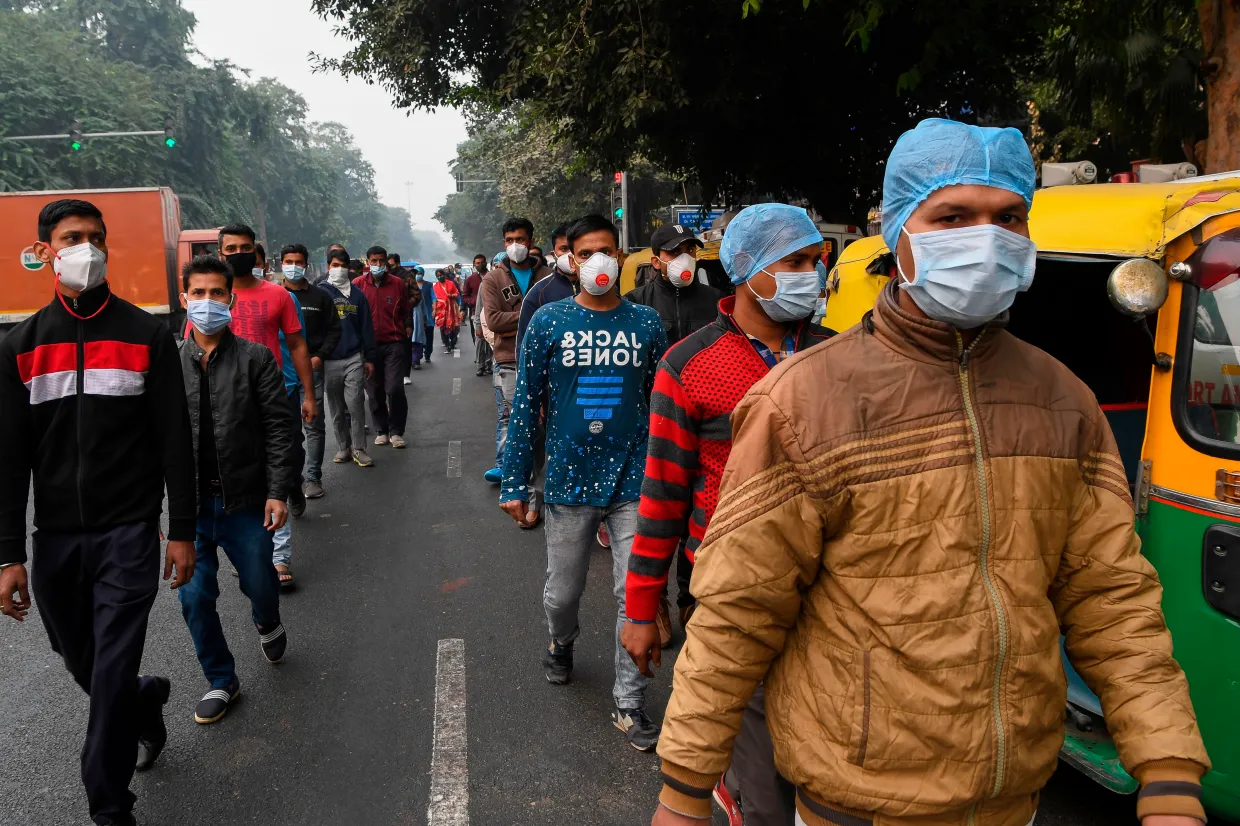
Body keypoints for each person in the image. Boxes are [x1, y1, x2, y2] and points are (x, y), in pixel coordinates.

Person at [648, 119, 1211, 826]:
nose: (986, 237)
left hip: (1012, 802)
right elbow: (739, 610)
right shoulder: (804, 400)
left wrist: (1167, 770)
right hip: (856, 801)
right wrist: (684, 789)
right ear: (897, 233)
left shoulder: (1061, 398)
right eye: (953, 216)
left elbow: (1112, 597)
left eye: (1008, 217)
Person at [624, 204, 832, 826]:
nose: (811, 276)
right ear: (747, 269)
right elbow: (662, 496)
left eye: (815, 263)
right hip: (729, 591)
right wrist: (641, 609)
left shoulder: (837, 356)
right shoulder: (687, 366)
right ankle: (737, 791)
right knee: (767, 787)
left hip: (830, 588)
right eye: (794, 263)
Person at [0, 199, 195, 826]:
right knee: (82, 660)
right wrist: (8, 553)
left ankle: (108, 805)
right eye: (71, 238)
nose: (84, 247)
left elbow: (174, 444)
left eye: (93, 237)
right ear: (46, 252)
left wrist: (182, 530)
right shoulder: (20, 346)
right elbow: (9, 462)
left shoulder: (146, 337)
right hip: (55, 539)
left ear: (107, 247)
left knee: (110, 666)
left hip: (128, 534)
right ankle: (145, 703)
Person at [499, 214, 668, 752]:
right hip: (568, 481)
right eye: (586, 251)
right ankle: (561, 639)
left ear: (621, 258)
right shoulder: (549, 323)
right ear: (569, 260)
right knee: (563, 590)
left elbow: (660, 405)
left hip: (633, 479)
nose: (599, 261)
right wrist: (514, 482)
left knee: (632, 593)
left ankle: (629, 701)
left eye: (608, 251)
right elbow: (525, 406)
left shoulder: (646, 324)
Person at [175, 255, 293, 726]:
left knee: (260, 582)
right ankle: (221, 679)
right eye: (197, 293)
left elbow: (278, 429)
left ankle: (267, 621)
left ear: (231, 298)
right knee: (194, 595)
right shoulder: (167, 361)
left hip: (245, 500)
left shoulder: (256, 358)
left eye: (216, 293)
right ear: (184, 299)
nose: (207, 302)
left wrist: (278, 490)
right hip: (191, 508)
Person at [212, 225, 317, 521]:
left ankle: (292, 484)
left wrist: (309, 395)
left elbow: (297, 345)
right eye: (231, 249)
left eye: (245, 248)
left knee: (290, 455)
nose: (239, 254)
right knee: (244, 465)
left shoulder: (280, 296)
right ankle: (262, 544)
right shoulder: (212, 297)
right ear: (221, 254)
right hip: (229, 399)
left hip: (278, 394)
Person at [512, 221, 580, 530]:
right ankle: (538, 500)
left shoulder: (613, 293)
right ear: (555, 252)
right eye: (565, 249)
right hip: (552, 394)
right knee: (544, 451)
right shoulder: (540, 295)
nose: (573, 256)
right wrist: (535, 397)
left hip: (593, 391)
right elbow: (525, 354)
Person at [479, 218, 551, 484]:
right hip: (508, 360)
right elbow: (495, 321)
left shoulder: (548, 277)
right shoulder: (492, 279)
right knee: (515, 419)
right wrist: (533, 316)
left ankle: (532, 474)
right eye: (509, 240)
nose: (514, 245)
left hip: (545, 360)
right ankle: (516, 478)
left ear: (531, 242)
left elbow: (556, 320)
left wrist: (518, 320)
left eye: (520, 240)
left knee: (541, 424)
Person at [280, 244, 341, 500]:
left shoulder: (320, 297)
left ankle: (313, 477)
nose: (293, 266)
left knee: (313, 426)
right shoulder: (274, 296)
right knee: (285, 431)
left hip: (311, 369)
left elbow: (334, 330)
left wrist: (319, 357)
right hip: (279, 373)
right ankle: (290, 480)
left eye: (298, 261)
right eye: (288, 261)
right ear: (281, 263)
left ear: (305, 265)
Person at [320, 248, 377, 468]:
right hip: (329, 359)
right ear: (328, 267)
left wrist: (369, 358)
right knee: (336, 408)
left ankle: (359, 448)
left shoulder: (358, 295)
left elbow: (366, 328)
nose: (339, 270)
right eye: (335, 265)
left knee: (355, 404)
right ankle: (344, 446)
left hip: (354, 357)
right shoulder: (321, 293)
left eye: (343, 266)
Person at [353, 245, 411, 449]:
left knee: (394, 388)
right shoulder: (358, 285)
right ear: (368, 262)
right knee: (374, 390)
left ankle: (397, 431)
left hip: (394, 343)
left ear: (387, 262)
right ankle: (382, 430)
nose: (377, 265)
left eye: (381, 261)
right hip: (368, 347)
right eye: (373, 261)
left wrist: (406, 329)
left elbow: (405, 310)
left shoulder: (397, 284)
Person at [626, 223, 722, 346]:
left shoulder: (717, 301)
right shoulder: (636, 302)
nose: (685, 259)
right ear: (656, 262)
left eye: (690, 250)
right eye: (675, 252)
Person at [464, 253, 491, 376]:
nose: (480, 265)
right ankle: (480, 365)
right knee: (480, 339)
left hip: (491, 313)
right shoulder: (470, 279)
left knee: (490, 339)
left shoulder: (492, 277)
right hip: (476, 313)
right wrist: (473, 302)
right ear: (474, 265)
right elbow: (465, 296)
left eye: (482, 262)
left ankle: (489, 364)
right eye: (477, 263)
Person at [433, 266, 463, 353]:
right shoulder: (435, 287)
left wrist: (451, 296)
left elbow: (457, 293)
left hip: (452, 308)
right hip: (441, 310)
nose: (439, 277)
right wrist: (434, 309)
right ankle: (447, 344)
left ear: (444, 275)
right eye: (437, 276)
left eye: (441, 275)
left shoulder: (451, 283)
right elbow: (434, 299)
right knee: (443, 327)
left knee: (453, 326)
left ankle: (453, 342)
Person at [418, 266, 437, 364]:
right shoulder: (411, 285)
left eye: (419, 273)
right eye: (416, 273)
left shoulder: (429, 285)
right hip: (416, 316)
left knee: (429, 336)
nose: (418, 275)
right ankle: (417, 356)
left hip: (428, 315)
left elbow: (433, 298)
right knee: (417, 336)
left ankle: (427, 354)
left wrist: (434, 309)